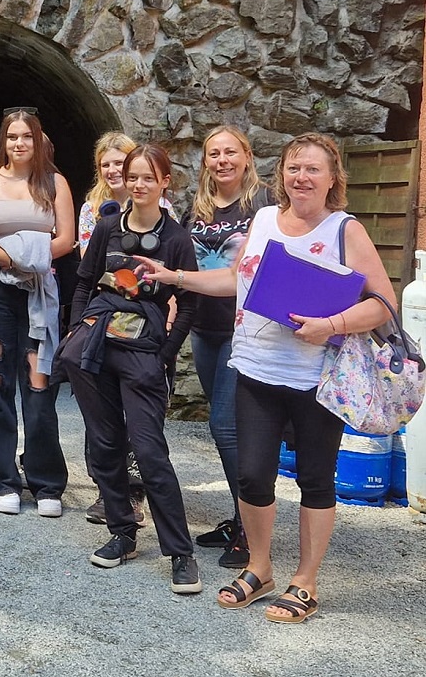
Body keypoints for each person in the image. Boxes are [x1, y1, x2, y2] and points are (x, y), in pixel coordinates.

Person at [140, 133, 394, 621]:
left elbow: (383, 303)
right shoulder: (261, 220)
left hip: (316, 379)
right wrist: (177, 278)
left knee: (316, 480)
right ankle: (261, 568)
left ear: (332, 179)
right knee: (254, 475)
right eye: (294, 168)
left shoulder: (346, 230)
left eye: (313, 170)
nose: (302, 178)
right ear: (282, 175)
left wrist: (332, 325)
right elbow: (235, 278)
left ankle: (306, 581)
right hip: (255, 369)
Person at [60, 144, 202, 595]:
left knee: (149, 450)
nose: (139, 185)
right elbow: (83, 282)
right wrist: (73, 333)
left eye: (148, 177)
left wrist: (165, 352)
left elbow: (191, 302)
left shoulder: (176, 238)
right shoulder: (105, 227)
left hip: (144, 348)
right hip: (94, 345)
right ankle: (122, 533)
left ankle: (180, 553)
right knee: (104, 444)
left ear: (165, 183)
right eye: (132, 176)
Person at [0, 108, 75, 517]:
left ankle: (46, 481)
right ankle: (3, 478)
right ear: (4, 141)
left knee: (38, 379)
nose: (19, 143)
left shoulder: (55, 182)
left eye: (26, 136)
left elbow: (66, 238)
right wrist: (13, 261)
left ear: (37, 139)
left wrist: (30, 262)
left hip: (41, 288)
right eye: (12, 136)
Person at [184, 126, 271, 569]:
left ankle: (250, 530)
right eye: (213, 154)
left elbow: (246, 271)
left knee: (224, 425)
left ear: (246, 156)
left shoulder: (263, 206)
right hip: (205, 328)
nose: (222, 160)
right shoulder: (196, 207)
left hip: (245, 328)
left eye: (230, 152)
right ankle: (241, 516)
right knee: (225, 429)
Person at [72, 130, 146, 526]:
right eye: (107, 164)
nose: (114, 170)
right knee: (99, 405)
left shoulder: (156, 203)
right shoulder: (92, 210)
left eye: (121, 162)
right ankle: (106, 489)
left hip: (143, 318)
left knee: (136, 407)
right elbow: (91, 264)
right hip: (104, 315)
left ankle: (134, 494)